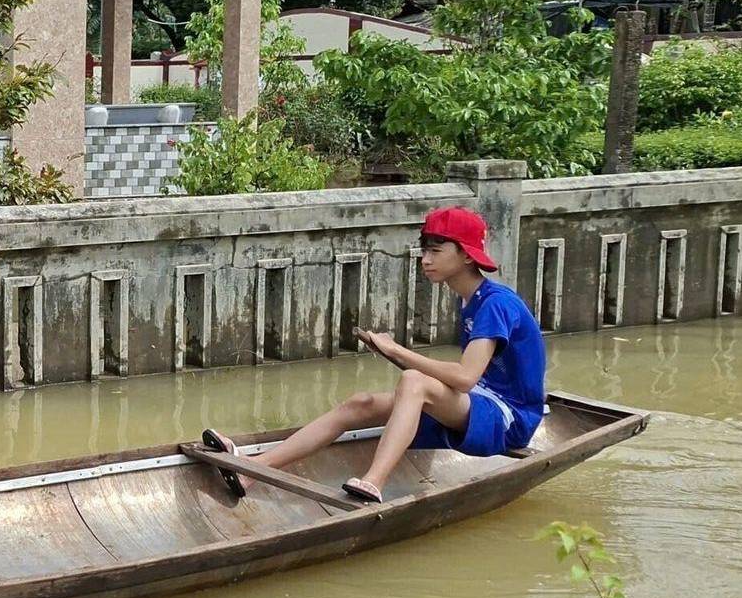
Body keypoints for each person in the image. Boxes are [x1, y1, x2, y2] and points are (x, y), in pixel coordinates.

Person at [200, 206, 546, 504]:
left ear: (467, 255)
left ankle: (373, 482)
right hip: (479, 401)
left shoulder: (495, 303)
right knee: (360, 403)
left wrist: (399, 350)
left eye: (436, 251)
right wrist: (391, 353)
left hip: (509, 417)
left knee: (414, 382)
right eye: (424, 250)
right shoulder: (469, 299)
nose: (425, 260)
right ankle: (254, 469)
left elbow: (465, 378)